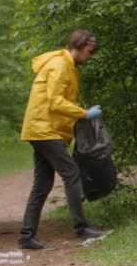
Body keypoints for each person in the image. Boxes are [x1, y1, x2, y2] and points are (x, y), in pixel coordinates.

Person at [18, 29, 110, 250]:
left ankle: (26, 237)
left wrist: (79, 114)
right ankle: (81, 229)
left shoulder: (68, 66)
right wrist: (84, 114)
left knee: (42, 184)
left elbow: (59, 102)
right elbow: (55, 102)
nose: (91, 56)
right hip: (44, 129)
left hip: (43, 129)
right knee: (72, 173)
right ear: (78, 47)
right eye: (90, 52)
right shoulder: (60, 66)